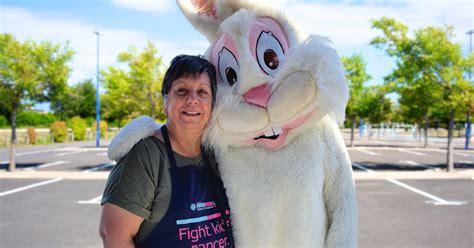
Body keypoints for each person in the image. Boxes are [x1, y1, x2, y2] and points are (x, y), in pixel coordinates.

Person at [99, 55, 234, 248]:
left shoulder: (219, 154)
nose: (192, 99)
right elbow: (112, 234)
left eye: (202, 92)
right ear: (165, 102)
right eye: (182, 91)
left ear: (212, 105)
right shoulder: (146, 157)